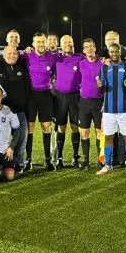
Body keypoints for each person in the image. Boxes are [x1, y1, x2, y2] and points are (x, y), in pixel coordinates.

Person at [95, 42, 126, 176]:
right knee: (108, 137)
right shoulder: (104, 69)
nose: (114, 54)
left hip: (124, 109)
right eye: (111, 52)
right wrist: (100, 86)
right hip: (108, 110)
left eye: (116, 51)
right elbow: (102, 89)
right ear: (109, 53)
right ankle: (108, 165)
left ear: (120, 52)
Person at [23, 32, 58, 170]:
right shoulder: (27, 55)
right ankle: (28, 160)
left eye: (43, 41)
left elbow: (56, 72)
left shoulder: (52, 57)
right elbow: (10, 55)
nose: (41, 44)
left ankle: (48, 160)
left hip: (46, 95)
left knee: (46, 126)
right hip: (31, 95)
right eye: (38, 42)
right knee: (30, 127)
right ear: (33, 44)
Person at [0, 45, 30, 171]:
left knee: (22, 135)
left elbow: (27, 88)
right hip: (2, 111)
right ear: (3, 55)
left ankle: (18, 161)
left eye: (14, 53)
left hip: (19, 109)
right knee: (0, 136)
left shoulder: (23, 67)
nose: (12, 56)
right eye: (9, 53)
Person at [53, 35, 83, 168]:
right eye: (65, 42)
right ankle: (59, 158)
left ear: (73, 43)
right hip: (60, 97)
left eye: (70, 42)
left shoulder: (80, 57)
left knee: (75, 127)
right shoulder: (56, 58)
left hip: (76, 96)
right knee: (61, 127)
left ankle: (75, 157)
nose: (68, 44)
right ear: (61, 44)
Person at [77, 38, 105, 170]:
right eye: (86, 47)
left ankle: (101, 160)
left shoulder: (103, 63)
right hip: (84, 103)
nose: (89, 48)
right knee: (84, 132)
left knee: (99, 131)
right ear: (83, 50)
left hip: (99, 102)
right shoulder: (81, 64)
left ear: (95, 48)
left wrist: (102, 87)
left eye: (91, 46)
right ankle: (86, 161)